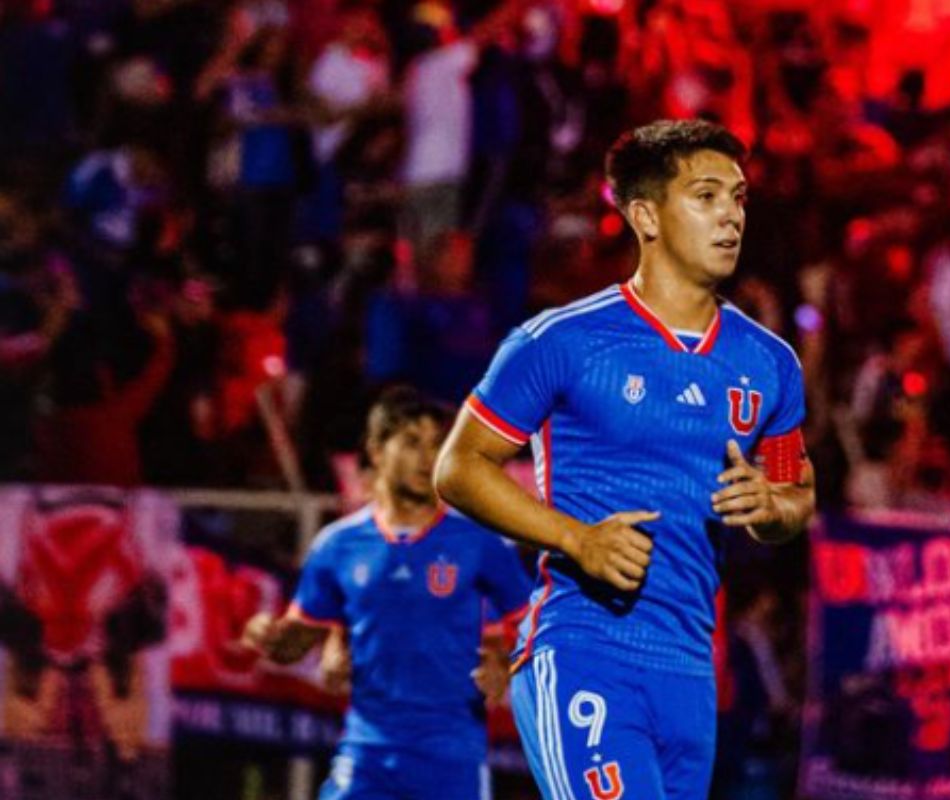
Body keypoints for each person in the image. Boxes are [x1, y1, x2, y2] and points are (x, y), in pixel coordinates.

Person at [435, 119, 816, 799]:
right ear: (645, 216)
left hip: (691, 671)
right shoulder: (562, 341)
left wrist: (773, 505)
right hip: (585, 648)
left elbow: (795, 495)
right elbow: (459, 467)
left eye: (737, 197)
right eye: (705, 196)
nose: (731, 215)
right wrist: (576, 539)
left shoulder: (770, 363)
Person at [242, 387, 531, 799]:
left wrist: (503, 661)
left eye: (437, 444)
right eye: (412, 442)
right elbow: (298, 639)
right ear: (376, 451)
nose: (428, 458)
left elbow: (533, 625)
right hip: (367, 754)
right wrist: (270, 637)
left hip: (451, 759)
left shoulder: (480, 542)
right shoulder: (337, 546)